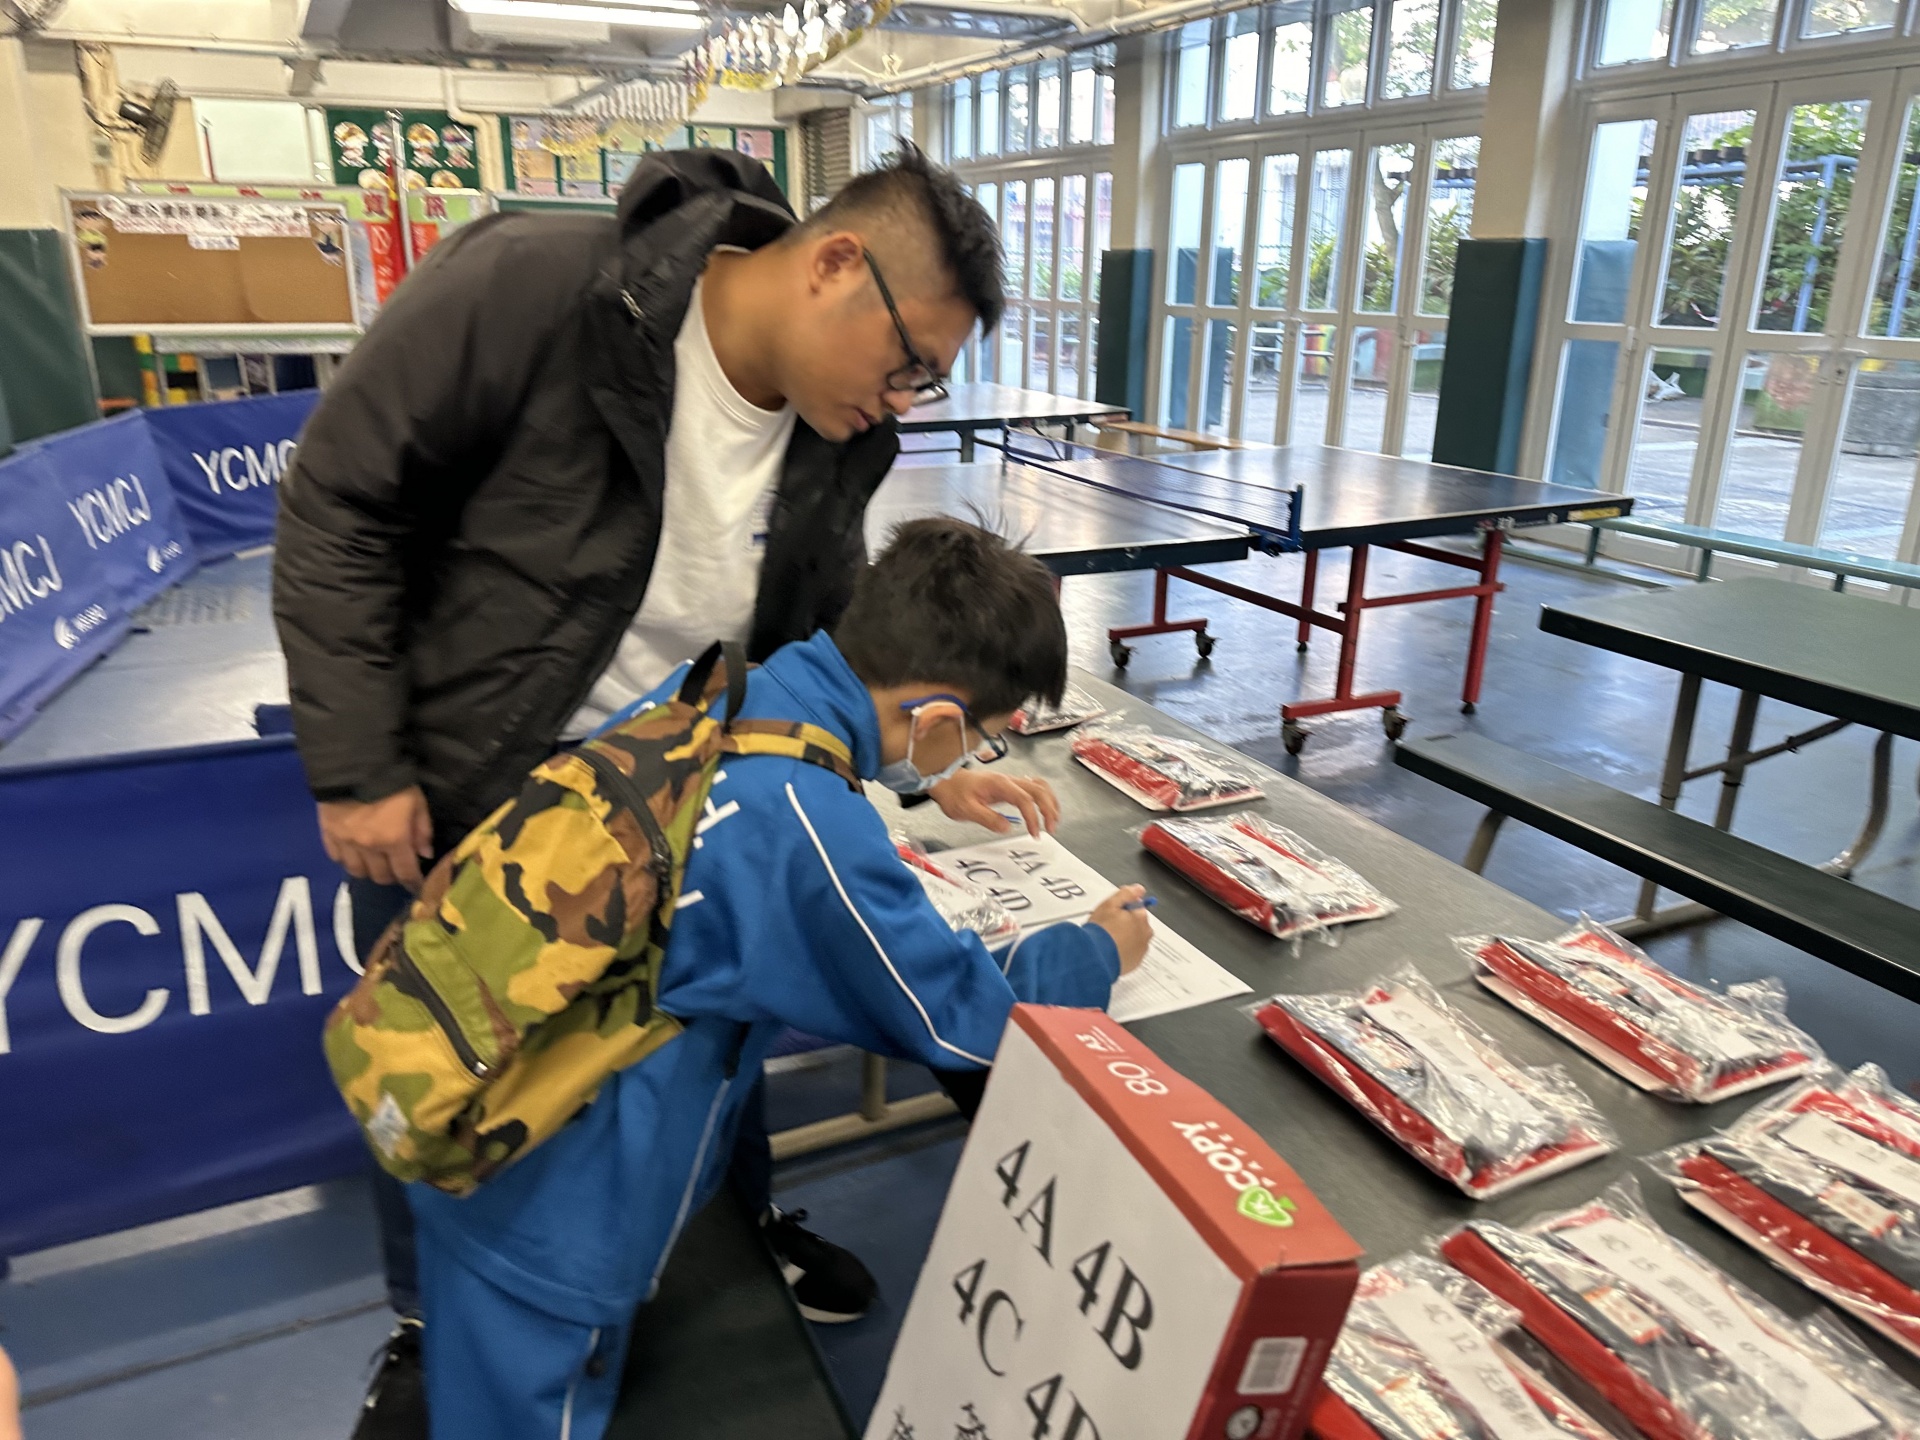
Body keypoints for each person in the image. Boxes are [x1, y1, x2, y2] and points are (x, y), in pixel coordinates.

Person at [273, 144, 1047, 1437]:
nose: (906, 400)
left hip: (677, 803)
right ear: (835, 264)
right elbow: (342, 500)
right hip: (487, 807)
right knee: (454, 1085)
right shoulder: (535, 290)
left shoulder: (841, 431)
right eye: (910, 363)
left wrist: (925, 760)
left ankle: (722, 1247)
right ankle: (435, 1334)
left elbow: (821, 618)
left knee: (701, 1051)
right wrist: (359, 765)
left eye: (930, 382)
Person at [410, 517, 1152, 1440]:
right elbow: (962, 1019)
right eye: (980, 742)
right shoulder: (803, 823)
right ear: (935, 718)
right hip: (560, 1216)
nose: (972, 761)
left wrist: (920, 783)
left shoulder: (724, 688)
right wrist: (1095, 950)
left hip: (486, 1097)